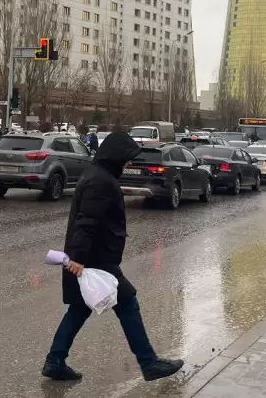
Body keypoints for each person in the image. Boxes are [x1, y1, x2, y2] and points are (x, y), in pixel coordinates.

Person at [42, 132, 183, 382]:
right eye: (126, 158)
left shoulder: (97, 174)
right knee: (128, 304)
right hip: (97, 261)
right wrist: (78, 259)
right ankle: (149, 363)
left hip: (92, 258)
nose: (127, 164)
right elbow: (87, 221)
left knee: (79, 309)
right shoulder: (100, 181)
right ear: (116, 156)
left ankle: (55, 361)